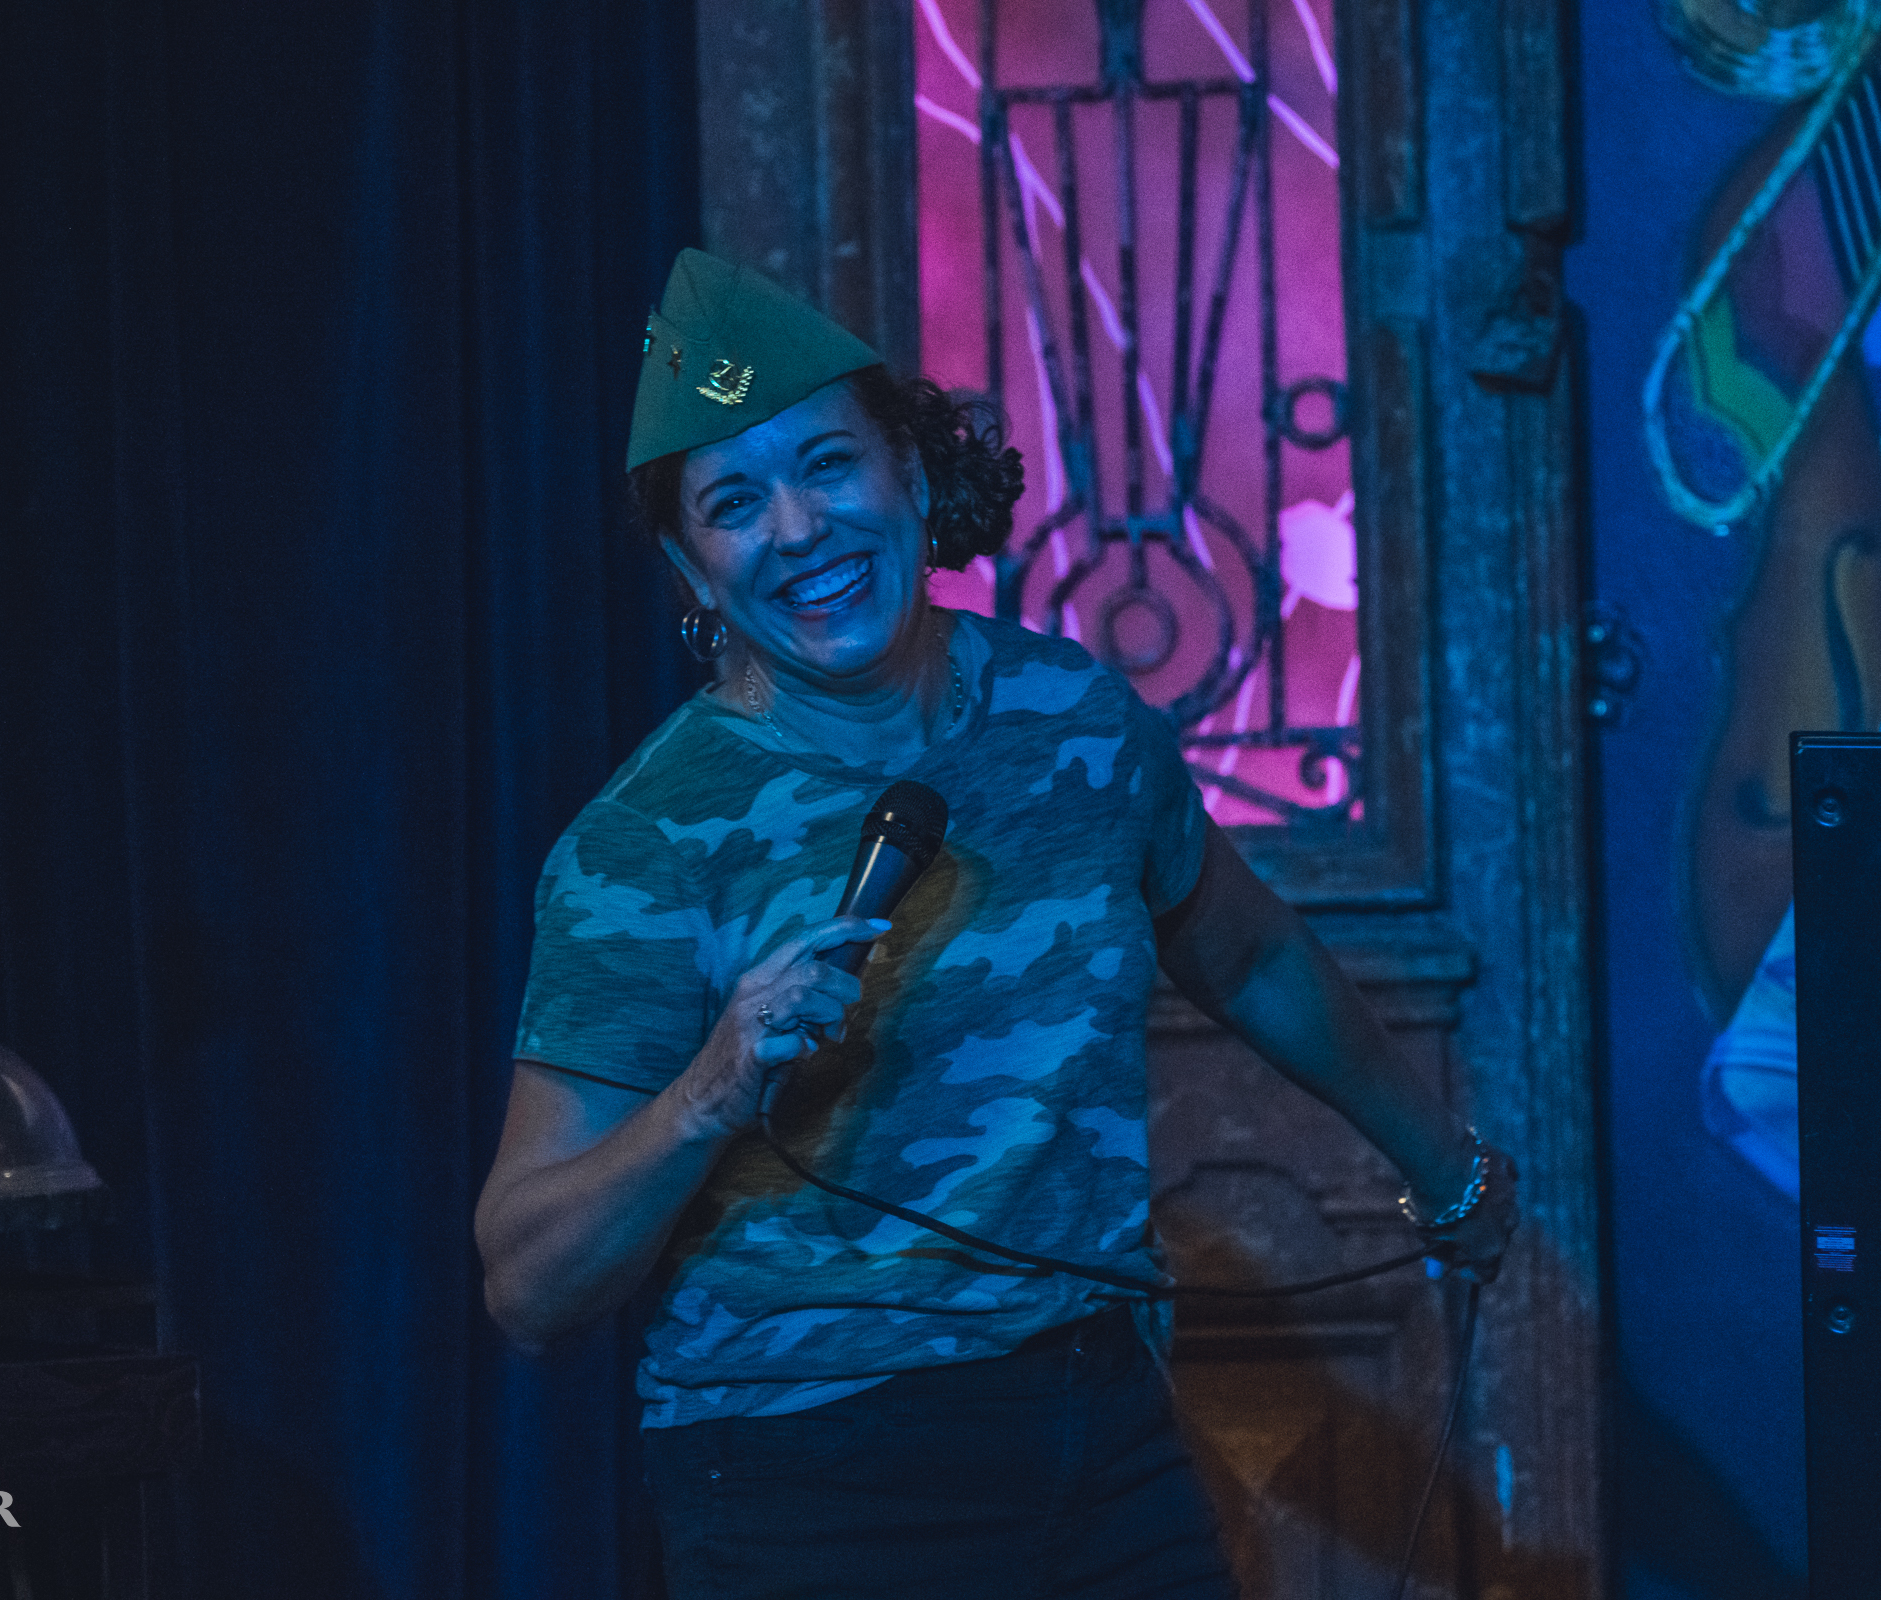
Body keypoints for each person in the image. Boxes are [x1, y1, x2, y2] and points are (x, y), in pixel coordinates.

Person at [474, 249, 1517, 1598]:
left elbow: (1251, 954)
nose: (800, 528)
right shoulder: (647, 843)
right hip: (809, 1472)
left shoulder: (1074, 719)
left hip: (1098, 1421)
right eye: (736, 503)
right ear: (693, 567)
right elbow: (528, 1284)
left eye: (830, 466)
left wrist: (1445, 1166)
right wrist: (711, 1091)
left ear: (911, 473)